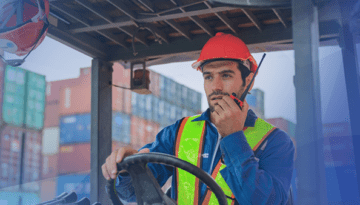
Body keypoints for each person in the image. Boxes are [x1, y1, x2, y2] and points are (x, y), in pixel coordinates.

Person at [102, 32, 295, 205]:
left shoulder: (275, 141)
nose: (216, 86)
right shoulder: (179, 131)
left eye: (226, 75)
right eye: (209, 77)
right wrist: (127, 169)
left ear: (247, 81)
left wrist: (233, 138)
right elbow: (129, 193)